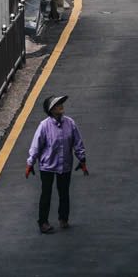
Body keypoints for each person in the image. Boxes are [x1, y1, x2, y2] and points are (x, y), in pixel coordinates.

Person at [25, 94, 87, 233]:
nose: (61, 106)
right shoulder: (44, 126)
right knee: (46, 193)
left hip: (65, 164)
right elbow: (36, 146)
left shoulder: (70, 123)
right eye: (57, 104)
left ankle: (63, 218)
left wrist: (82, 159)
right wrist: (30, 163)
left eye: (61, 103)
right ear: (51, 110)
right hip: (47, 166)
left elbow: (77, 143)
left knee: (64, 192)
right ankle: (43, 222)